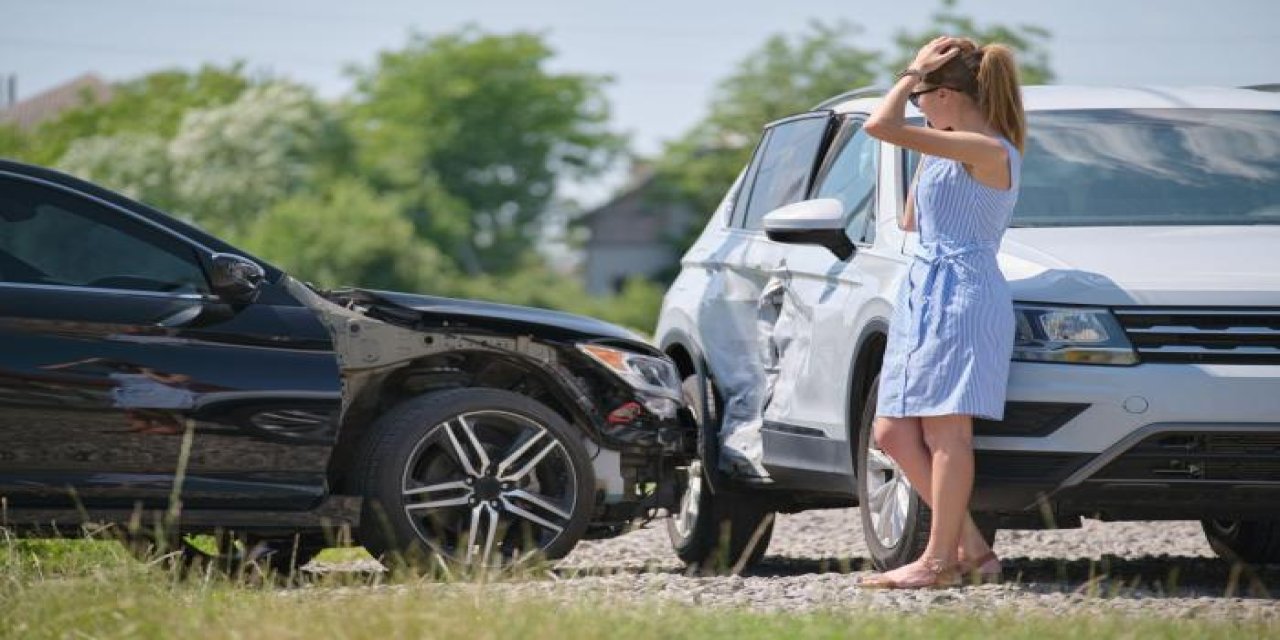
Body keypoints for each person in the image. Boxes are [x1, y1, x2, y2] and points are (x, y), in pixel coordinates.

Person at [857, 36, 1026, 589]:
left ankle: (938, 561)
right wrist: (929, 142)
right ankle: (973, 548)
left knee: (947, 432)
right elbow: (912, 221)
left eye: (921, 96)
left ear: (946, 94)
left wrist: (910, 72)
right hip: (923, 291)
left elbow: (877, 127)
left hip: (964, 293)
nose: (914, 105)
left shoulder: (990, 148)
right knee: (891, 431)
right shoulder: (948, 147)